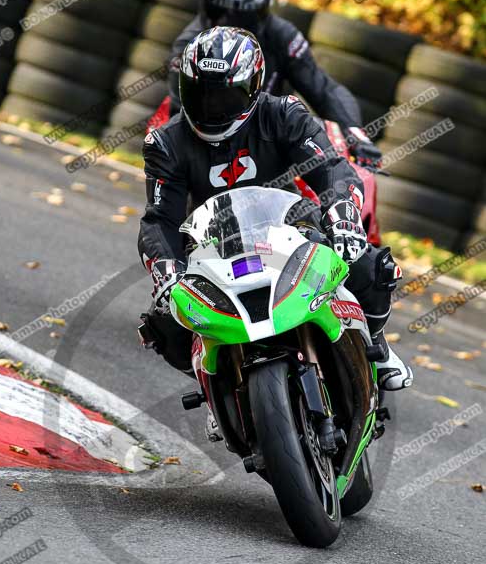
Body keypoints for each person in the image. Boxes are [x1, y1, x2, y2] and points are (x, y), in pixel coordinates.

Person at [138, 27, 412, 439]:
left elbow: (333, 168)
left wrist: (341, 211)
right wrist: (165, 268)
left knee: (371, 264)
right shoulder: (166, 142)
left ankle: (377, 346)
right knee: (164, 322)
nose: (211, 106)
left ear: (251, 89)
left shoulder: (283, 113)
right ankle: (215, 389)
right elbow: (159, 219)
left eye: (224, 95)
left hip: (292, 227)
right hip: (213, 244)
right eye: (201, 93)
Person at [167, 0, 382, 169]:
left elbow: (323, 89)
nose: (231, 23)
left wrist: (354, 134)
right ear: (208, 6)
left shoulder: (282, 36)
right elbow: (179, 110)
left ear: (262, 11)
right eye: (223, 12)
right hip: (204, 138)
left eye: (245, 16)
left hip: (267, 140)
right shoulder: (188, 43)